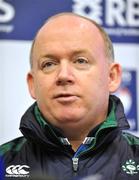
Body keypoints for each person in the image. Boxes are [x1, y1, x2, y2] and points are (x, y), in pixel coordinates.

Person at [0, 12, 139, 180]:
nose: (64, 75)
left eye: (81, 61)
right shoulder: (3, 161)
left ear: (112, 77)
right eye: (49, 64)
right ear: (32, 84)